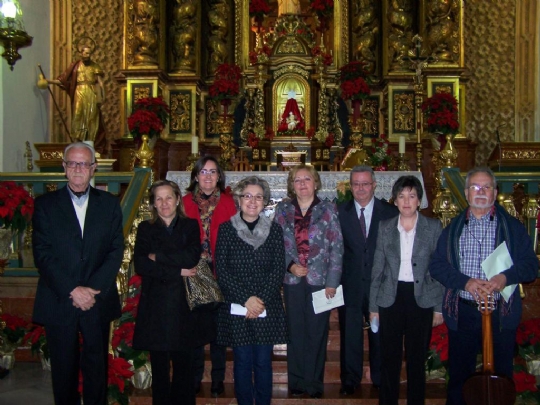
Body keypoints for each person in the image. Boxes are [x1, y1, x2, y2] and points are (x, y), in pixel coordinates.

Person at [430, 167, 538, 405]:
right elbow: (436, 266)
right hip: (464, 310)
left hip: (502, 312)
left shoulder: (513, 228)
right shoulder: (452, 230)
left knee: (502, 375)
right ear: (466, 193)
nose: (480, 192)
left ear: (495, 192)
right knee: (459, 376)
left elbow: (531, 266)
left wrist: (505, 278)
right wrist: (465, 282)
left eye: (486, 187)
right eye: (475, 188)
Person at [32, 142, 123, 405]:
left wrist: (92, 289)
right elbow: (43, 254)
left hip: (97, 297)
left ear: (93, 168)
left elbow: (115, 250)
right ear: (64, 168)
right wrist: (73, 289)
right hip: (59, 297)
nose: (78, 169)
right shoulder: (45, 205)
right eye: (72, 163)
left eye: (84, 163)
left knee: (96, 367)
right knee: (63, 369)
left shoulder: (109, 204)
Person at [133, 180, 213, 405]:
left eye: (169, 197)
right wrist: (178, 270)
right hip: (155, 307)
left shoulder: (189, 226)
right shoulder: (145, 228)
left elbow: (191, 257)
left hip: (182, 305)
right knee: (159, 369)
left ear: (178, 200)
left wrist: (157, 256)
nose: (164, 202)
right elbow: (141, 264)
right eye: (158, 198)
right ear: (153, 204)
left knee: (184, 369)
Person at [369, 175, 444, 405]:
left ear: (419, 200)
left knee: (416, 360)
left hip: (421, 299)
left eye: (412, 196)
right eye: (401, 196)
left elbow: (440, 269)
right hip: (390, 297)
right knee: (389, 359)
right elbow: (377, 269)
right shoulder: (385, 227)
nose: (407, 201)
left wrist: (439, 307)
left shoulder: (433, 227)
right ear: (395, 200)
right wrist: (373, 307)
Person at [215, 176, 288, 405]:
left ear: (265, 201)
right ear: (239, 199)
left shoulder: (274, 231)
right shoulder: (227, 229)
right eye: (248, 196)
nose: (253, 201)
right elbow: (222, 270)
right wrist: (246, 300)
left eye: (258, 196)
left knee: (263, 363)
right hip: (238, 305)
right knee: (243, 361)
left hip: (266, 306)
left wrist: (260, 301)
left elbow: (278, 269)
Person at [274, 164, 343, 398]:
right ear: (291, 185)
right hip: (292, 279)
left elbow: (337, 247)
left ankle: (314, 383)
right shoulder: (282, 210)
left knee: (316, 331)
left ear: (315, 182)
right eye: (297, 180)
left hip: (321, 281)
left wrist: (333, 281)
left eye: (306, 179)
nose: (302, 184)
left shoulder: (328, 209)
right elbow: (275, 245)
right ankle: (296, 382)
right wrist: (290, 265)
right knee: (295, 331)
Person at [337, 165, 398, 394]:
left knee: (380, 335)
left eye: (365, 184)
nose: (360, 188)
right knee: (349, 335)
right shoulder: (339, 212)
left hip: (380, 286)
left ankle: (380, 378)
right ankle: (350, 381)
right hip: (350, 284)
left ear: (374, 185)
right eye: (356, 184)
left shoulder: (390, 212)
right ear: (350, 187)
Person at [182, 155, 237, 396]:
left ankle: (217, 379)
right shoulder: (183, 202)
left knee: (218, 329)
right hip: (193, 272)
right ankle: (194, 378)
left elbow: (236, 239)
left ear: (219, 177)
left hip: (220, 271)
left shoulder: (228, 202)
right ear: (195, 176)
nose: (208, 176)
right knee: (194, 329)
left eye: (212, 172)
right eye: (203, 172)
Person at [47, 43, 106, 153]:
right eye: (85, 52)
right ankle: (78, 141)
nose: (87, 55)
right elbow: (63, 80)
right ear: (81, 53)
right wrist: (49, 81)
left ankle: (90, 143)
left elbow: (100, 83)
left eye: (89, 53)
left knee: (92, 116)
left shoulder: (95, 66)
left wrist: (102, 96)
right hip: (79, 91)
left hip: (91, 92)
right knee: (78, 114)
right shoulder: (75, 66)